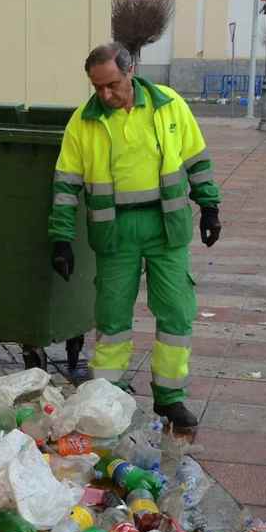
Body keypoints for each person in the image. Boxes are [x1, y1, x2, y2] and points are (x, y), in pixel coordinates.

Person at [48, 43, 222, 428]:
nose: (106, 95)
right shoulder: (83, 121)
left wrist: (209, 207)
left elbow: (196, 159)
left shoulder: (169, 105)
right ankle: (106, 398)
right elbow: (65, 185)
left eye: (112, 85)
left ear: (132, 71)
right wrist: (60, 238)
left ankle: (170, 398)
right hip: (115, 233)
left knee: (176, 313)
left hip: (167, 227)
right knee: (112, 318)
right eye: (97, 88)